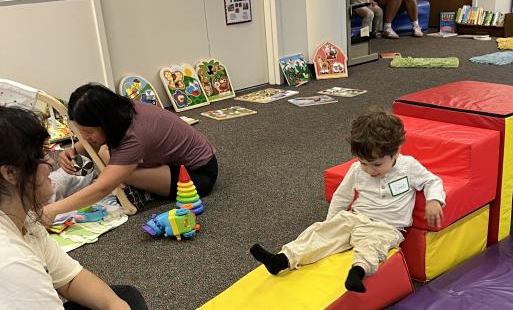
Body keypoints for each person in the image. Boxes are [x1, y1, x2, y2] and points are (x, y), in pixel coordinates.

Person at [250, 109, 445, 293]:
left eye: (376, 164)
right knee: (319, 233)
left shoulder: (408, 167)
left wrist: (433, 200)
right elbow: (342, 197)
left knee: (373, 246)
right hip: (355, 218)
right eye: (363, 163)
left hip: (387, 227)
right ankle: (282, 259)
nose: (369, 170)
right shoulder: (356, 170)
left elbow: (432, 181)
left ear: (395, 152)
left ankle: (357, 272)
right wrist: (331, 222)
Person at [0, 105, 147, 309]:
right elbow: (102, 188)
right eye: (40, 156)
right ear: (10, 173)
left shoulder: (21, 218)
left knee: (123, 298)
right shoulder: (13, 263)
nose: (50, 162)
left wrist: (115, 305)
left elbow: (68, 279)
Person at [44, 83, 218, 221]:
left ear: (106, 123)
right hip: (172, 160)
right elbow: (92, 145)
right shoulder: (120, 109)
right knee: (106, 157)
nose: (84, 138)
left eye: (88, 133)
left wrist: (52, 210)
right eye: (81, 133)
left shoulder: (134, 134)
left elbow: (102, 188)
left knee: (111, 166)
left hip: (197, 175)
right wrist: (74, 150)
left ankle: (143, 188)